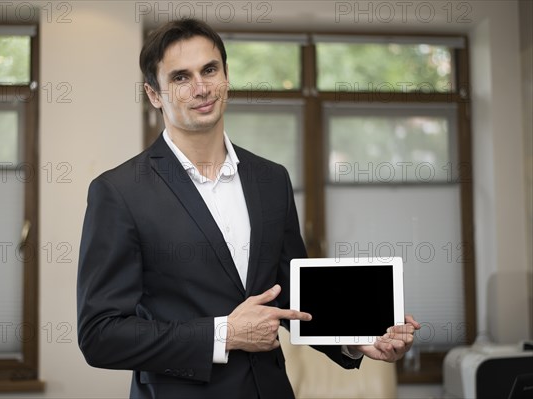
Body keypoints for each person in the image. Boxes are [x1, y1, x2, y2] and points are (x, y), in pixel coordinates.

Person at [77, 17, 420, 399]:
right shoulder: (119, 192)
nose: (201, 88)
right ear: (154, 94)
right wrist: (225, 334)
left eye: (210, 70)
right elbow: (99, 334)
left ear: (226, 76)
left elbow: (293, 295)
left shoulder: (271, 179)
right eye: (180, 77)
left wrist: (357, 340)